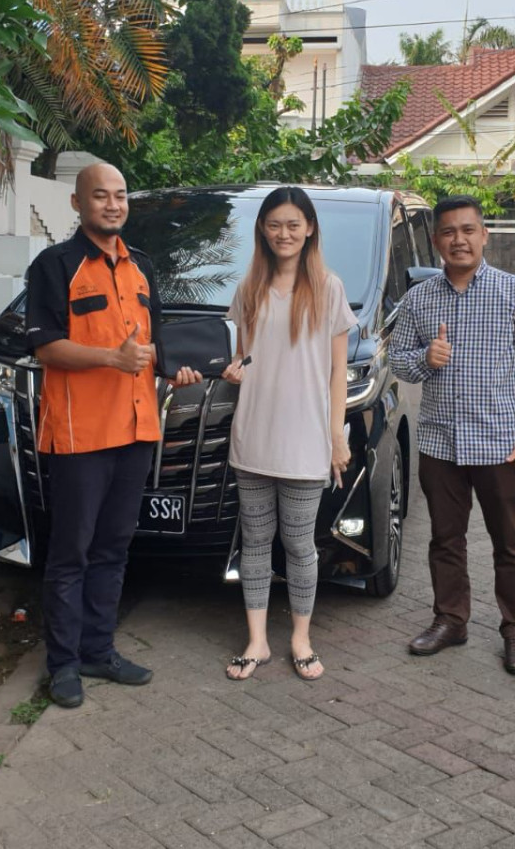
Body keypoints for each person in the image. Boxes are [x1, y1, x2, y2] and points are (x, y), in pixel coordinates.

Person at [24, 163, 203, 709]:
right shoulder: (55, 265)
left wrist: (177, 370)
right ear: (78, 203)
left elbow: (152, 346)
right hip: (81, 435)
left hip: (137, 429)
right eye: (100, 195)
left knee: (114, 548)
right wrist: (111, 358)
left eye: (120, 195)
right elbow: (45, 347)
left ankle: (99, 651)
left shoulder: (141, 267)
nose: (112, 204)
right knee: (70, 553)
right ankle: (63, 665)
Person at [392, 195, 515, 676]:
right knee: (445, 540)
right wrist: (426, 358)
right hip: (440, 443)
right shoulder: (419, 299)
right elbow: (398, 360)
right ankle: (451, 620)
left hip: (500, 444)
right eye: (448, 232)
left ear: (484, 235)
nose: (458, 240)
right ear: (436, 240)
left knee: (510, 542)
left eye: (468, 230)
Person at [219, 188, 356, 683]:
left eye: (293, 224)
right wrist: (234, 370)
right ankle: (256, 641)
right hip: (254, 436)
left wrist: (336, 438)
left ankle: (301, 638)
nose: (284, 233)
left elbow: (338, 373)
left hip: (305, 440)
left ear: (310, 228)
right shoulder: (249, 288)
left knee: (299, 544)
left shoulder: (328, 289)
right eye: (275, 224)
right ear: (263, 229)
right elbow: (244, 358)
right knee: (255, 541)